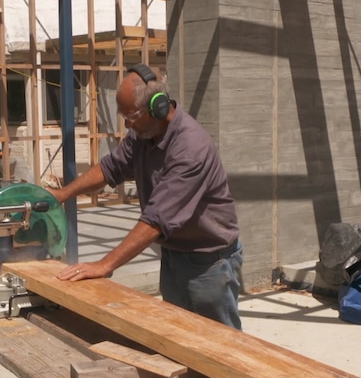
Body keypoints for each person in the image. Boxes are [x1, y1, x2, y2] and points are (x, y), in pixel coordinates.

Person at [47, 63, 243, 329]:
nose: (127, 123)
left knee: (221, 345)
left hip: (209, 261)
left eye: (132, 116)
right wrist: (62, 194)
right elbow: (111, 167)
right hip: (175, 253)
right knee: (179, 336)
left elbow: (156, 219)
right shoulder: (143, 135)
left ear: (158, 108)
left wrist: (105, 264)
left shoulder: (190, 148)